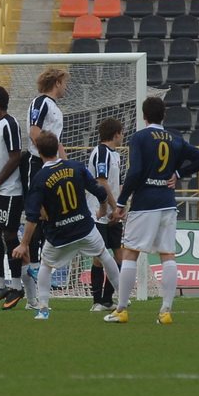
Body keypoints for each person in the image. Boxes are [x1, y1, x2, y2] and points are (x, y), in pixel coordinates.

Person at [105, 96, 199, 325]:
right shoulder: (175, 138)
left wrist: (121, 202)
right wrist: (179, 174)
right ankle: (166, 312)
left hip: (145, 203)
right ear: (164, 115)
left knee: (130, 253)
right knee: (167, 255)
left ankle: (121, 310)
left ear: (144, 116)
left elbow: (135, 172)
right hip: (168, 203)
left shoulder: (140, 137)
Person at [12, 131, 120, 320]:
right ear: (58, 148)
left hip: (59, 234)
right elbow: (99, 191)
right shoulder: (76, 167)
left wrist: (24, 244)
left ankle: (43, 309)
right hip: (85, 228)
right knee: (104, 255)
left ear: (38, 150)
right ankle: (123, 298)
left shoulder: (40, 178)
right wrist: (104, 209)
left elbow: (32, 217)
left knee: (46, 265)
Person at [0, 86, 35, 310]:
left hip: (9, 191)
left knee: (9, 235)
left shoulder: (10, 124)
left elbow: (15, 157)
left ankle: (17, 286)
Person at [20, 68, 70, 280]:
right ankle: (32, 265)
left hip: (51, 165)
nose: (65, 87)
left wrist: (66, 166)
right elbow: (34, 132)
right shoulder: (40, 103)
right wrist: (46, 158)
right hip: (38, 164)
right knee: (37, 213)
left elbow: (57, 142)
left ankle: (43, 266)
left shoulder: (55, 108)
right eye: (64, 82)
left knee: (50, 214)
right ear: (57, 82)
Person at [86, 118, 124, 312]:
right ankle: (97, 301)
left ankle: (108, 299)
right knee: (99, 257)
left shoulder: (116, 155)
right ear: (116, 134)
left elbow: (118, 183)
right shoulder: (101, 152)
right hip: (99, 213)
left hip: (114, 213)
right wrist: (114, 207)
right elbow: (101, 181)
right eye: (121, 133)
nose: (122, 136)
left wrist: (121, 207)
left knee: (119, 256)